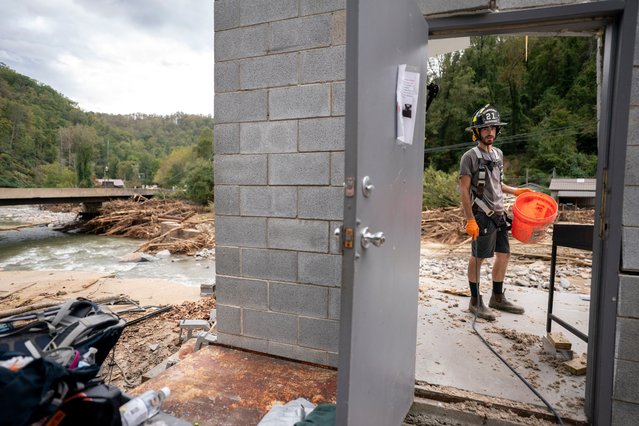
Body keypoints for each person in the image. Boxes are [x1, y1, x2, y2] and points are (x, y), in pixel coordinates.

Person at [459, 104, 532, 321]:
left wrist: (516, 191)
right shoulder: (469, 157)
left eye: (493, 128)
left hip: (499, 214)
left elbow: (497, 184)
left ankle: (497, 297)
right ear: (477, 131)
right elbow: (464, 189)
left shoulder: (498, 154)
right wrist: (469, 219)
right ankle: (475, 301)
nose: (490, 132)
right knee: (478, 257)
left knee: (504, 254)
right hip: (481, 214)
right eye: (485, 128)